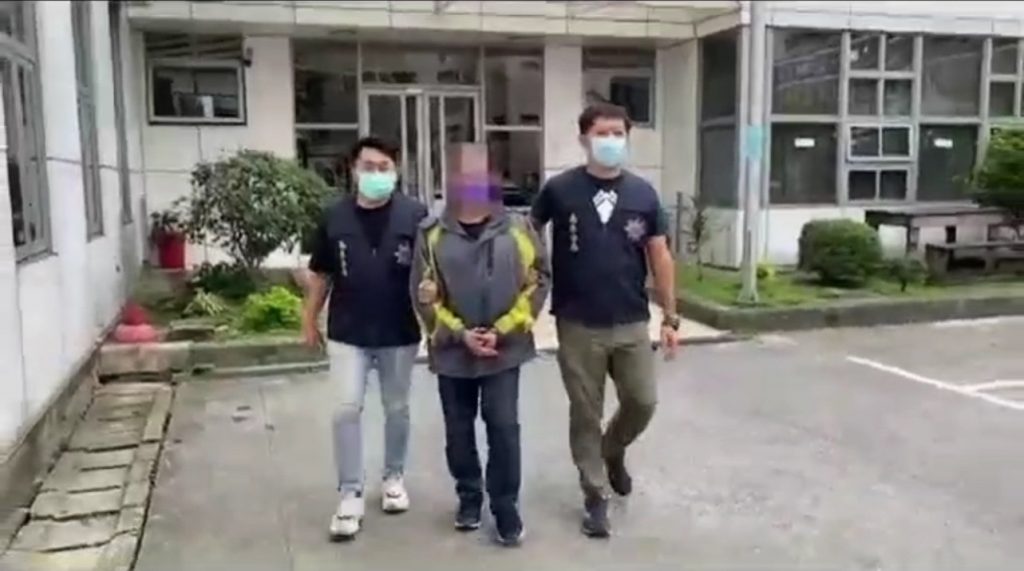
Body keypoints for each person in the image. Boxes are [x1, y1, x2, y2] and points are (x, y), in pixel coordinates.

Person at [530, 103, 680, 538]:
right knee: (585, 412)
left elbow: (660, 255)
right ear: (584, 139)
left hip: (631, 318)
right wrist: (534, 278)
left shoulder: (643, 194)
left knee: (642, 401)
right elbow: (527, 233)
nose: (611, 141)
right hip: (577, 321)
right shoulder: (560, 189)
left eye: (619, 134)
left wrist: (670, 316)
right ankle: (595, 494)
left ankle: (612, 450)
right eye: (603, 133)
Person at [410, 143, 551, 547]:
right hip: (452, 352)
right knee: (458, 432)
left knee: (503, 427)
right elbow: (424, 295)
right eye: (463, 175)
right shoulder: (431, 234)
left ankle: (505, 506)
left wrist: (502, 330)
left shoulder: (518, 229)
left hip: (504, 351)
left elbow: (538, 280)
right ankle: (469, 497)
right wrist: (460, 335)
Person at [303, 136, 428, 540]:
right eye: (368, 167)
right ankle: (350, 492)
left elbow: (432, 271)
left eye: (384, 167)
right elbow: (321, 274)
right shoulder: (334, 216)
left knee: (397, 408)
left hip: (398, 331)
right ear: (353, 170)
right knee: (345, 410)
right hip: (348, 331)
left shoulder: (415, 215)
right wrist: (309, 319)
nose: (376, 174)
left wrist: (436, 311)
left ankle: (393, 478)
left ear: (396, 171)